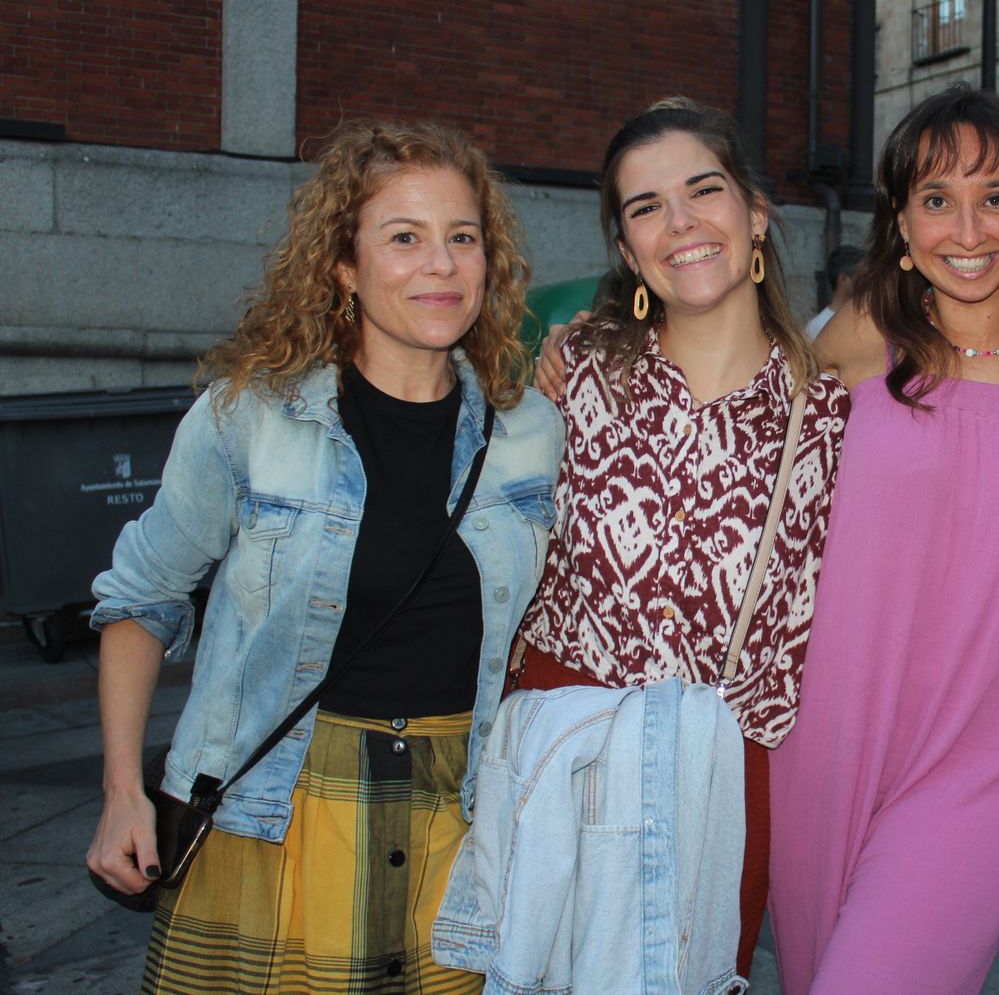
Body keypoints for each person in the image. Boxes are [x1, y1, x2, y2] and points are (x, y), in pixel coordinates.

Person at [85, 121, 563, 994]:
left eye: (463, 237)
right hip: (274, 815)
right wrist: (122, 790)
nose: (442, 264)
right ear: (344, 266)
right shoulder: (249, 417)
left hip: (459, 825)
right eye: (405, 238)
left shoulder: (533, 430)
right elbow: (141, 599)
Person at [764, 83, 999, 993]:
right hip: (824, 737)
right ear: (899, 219)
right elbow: (732, 446)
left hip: (991, 750)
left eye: (996, 198)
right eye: (937, 200)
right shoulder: (856, 335)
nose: (967, 229)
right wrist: (605, 339)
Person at [505, 97, 850, 978]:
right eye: (646, 206)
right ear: (626, 250)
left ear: (756, 214)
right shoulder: (571, 374)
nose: (682, 223)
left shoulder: (833, 420)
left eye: (705, 191)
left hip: (721, 780)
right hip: (562, 757)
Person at [805, 244, 866, 339]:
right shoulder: (816, 326)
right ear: (843, 279)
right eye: (860, 277)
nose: (866, 282)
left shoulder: (866, 320)